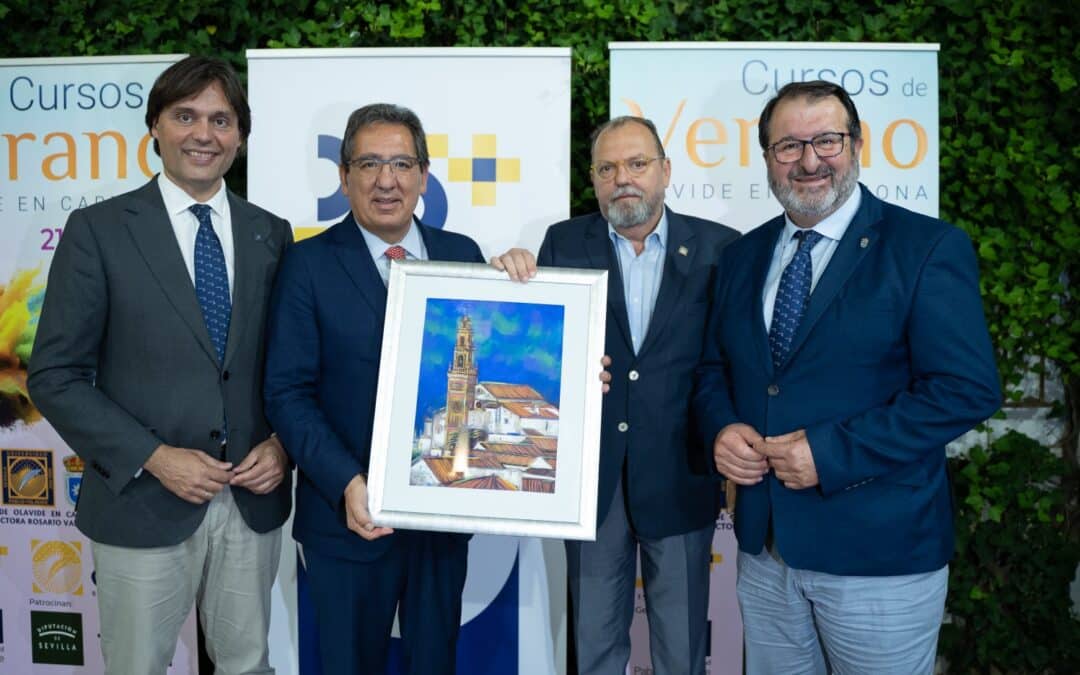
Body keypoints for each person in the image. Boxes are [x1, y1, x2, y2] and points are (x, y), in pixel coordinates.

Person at [692, 80, 1001, 673]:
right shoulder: (742, 257)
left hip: (879, 556)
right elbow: (714, 369)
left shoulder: (926, 247)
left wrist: (832, 452)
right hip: (765, 553)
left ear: (857, 145)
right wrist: (722, 427)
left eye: (826, 140)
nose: (809, 160)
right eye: (788, 146)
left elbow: (966, 389)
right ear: (767, 159)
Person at [28, 56, 292, 674]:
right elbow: (55, 375)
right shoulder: (97, 230)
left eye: (221, 119)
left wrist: (283, 445)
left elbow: (292, 366)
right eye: (186, 116)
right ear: (154, 128)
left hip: (251, 505)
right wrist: (154, 456)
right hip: (142, 500)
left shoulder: (270, 234)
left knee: (249, 666)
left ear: (241, 137)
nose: (204, 134)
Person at [495, 116, 739, 674]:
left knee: (682, 651)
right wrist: (507, 279)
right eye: (607, 168)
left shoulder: (719, 249)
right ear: (594, 178)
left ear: (665, 171)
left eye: (637, 164)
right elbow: (535, 348)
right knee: (596, 648)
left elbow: (726, 362)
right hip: (587, 485)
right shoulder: (562, 241)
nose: (622, 178)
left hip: (681, 477)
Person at [262, 103, 484, 674]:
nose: (387, 181)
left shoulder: (465, 256)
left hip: (440, 519)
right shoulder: (306, 265)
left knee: (435, 662)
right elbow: (287, 392)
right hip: (346, 518)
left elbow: (486, 372)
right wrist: (346, 482)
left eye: (402, 164)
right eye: (369, 164)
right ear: (343, 177)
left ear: (424, 176)